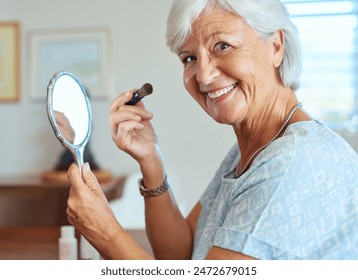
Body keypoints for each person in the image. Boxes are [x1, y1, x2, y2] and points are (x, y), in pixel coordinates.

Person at [66, 0, 358, 260]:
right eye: (189, 58)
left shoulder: (295, 160)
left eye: (222, 46)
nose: (204, 75)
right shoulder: (250, 151)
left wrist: (106, 234)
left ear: (276, 46)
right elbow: (179, 255)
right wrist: (151, 161)